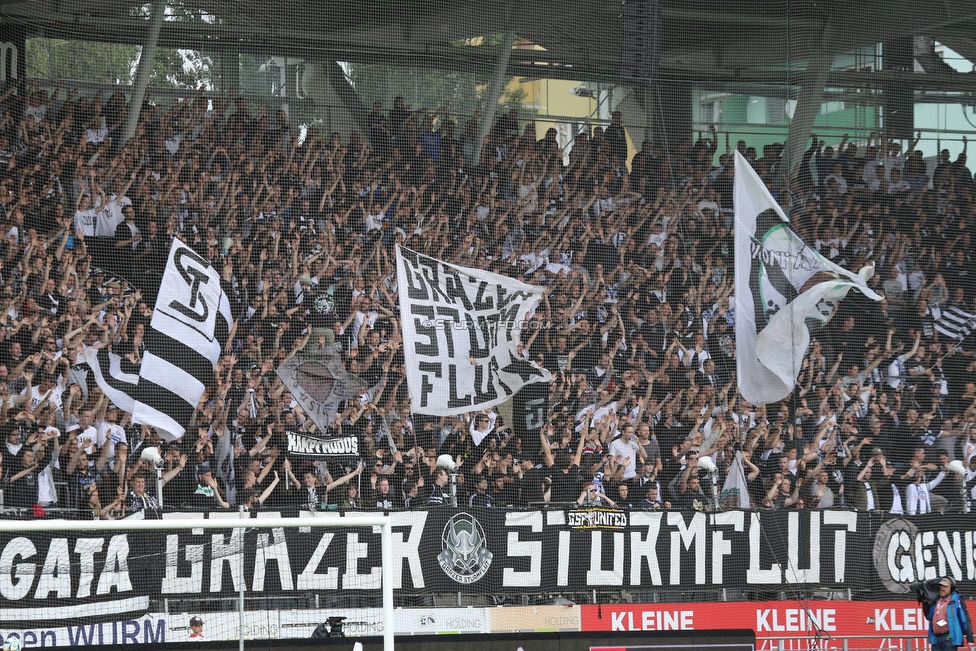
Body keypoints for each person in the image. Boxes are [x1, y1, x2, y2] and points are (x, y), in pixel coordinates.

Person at [925, 577, 974, 651]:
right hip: (936, 639)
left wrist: (970, 639)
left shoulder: (957, 600)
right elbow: (928, 616)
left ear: (951, 587)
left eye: (945, 586)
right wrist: (924, 602)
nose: (942, 588)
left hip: (949, 637)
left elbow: (966, 619)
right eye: (941, 586)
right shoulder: (936, 600)